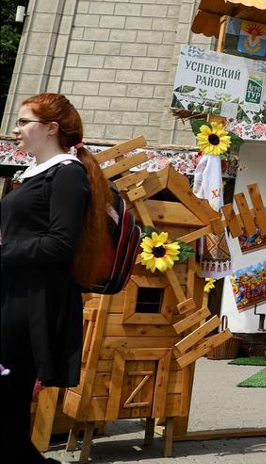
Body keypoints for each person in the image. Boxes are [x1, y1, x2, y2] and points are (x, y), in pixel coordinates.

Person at [1, 94, 112, 463]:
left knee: (9, 391)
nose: (16, 130)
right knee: (9, 397)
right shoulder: (36, 173)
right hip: (15, 291)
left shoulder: (67, 174)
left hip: (34, 299)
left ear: (51, 129)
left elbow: (60, 245)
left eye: (23, 122)